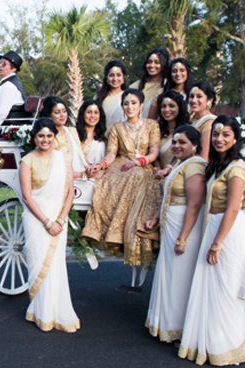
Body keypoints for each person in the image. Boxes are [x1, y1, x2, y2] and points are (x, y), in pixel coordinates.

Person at [178, 115, 245, 366]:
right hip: (213, 227)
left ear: (236, 139)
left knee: (225, 290)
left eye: (226, 134)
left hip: (227, 232)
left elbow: (232, 209)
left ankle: (226, 346)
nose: (219, 139)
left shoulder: (237, 168)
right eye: (216, 134)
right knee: (210, 288)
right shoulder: (220, 166)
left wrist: (217, 243)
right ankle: (206, 343)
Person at [82, 89, 162, 291]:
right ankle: (114, 235)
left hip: (143, 165)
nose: (129, 107)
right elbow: (111, 154)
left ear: (141, 105)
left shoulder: (152, 125)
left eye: (133, 103)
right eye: (126, 104)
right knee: (106, 182)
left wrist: (140, 160)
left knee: (138, 175)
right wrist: (101, 165)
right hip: (121, 165)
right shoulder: (117, 128)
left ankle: (132, 236)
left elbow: (154, 152)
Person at [145, 125, 206, 344]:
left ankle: (179, 328)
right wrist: (155, 216)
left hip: (185, 229)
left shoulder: (196, 166)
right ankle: (166, 324)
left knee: (180, 276)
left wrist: (183, 238)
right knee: (169, 273)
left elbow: (195, 205)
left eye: (183, 143)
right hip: (171, 225)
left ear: (195, 146)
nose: (177, 146)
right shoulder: (180, 165)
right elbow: (169, 196)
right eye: (174, 142)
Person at [19, 117, 80, 333]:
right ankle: (41, 312)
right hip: (37, 219)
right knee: (38, 263)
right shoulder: (27, 161)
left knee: (56, 266)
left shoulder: (64, 159)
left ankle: (57, 311)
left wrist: (61, 220)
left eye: (49, 135)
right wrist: (47, 223)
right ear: (34, 138)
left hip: (58, 220)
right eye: (41, 136)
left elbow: (69, 193)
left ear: (55, 137)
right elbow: (27, 197)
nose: (45, 139)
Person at [41, 96, 84, 179]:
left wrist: (93, 168)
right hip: (59, 180)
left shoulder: (72, 131)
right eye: (57, 112)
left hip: (80, 177)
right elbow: (52, 169)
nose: (62, 115)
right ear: (49, 115)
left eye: (64, 111)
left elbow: (81, 157)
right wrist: (82, 175)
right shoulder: (46, 137)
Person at [155, 91, 190, 177]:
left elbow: (186, 155)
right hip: (158, 176)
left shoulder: (188, 130)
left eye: (171, 106)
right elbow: (154, 153)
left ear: (180, 107)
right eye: (163, 106)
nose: (167, 110)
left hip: (179, 175)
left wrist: (168, 168)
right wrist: (159, 169)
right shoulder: (157, 129)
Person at [130, 48, 169, 121]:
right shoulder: (135, 86)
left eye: (156, 62)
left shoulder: (167, 86)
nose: (152, 65)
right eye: (149, 62)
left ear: (163, 64)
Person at [76, 100, 108, 180]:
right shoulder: (73, 135)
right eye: (89, 112)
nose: (92, 116)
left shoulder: (102, 141)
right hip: (74, 176)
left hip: (94, 179)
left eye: (96, 112)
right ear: (83, 114)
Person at [94, 60, 129, 131]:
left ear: (123, 77)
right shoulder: (98, 97)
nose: (115, 79)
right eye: (111, 75)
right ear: (106, 78)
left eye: (118, 75)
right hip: (102, 138)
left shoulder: (128, 97)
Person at [188, 81, 217, 161]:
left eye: (199, 96)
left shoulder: (209, 122)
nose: (194, 100)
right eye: (191, 96)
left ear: (210, 100)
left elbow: (204, 158)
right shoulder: (191, 120)